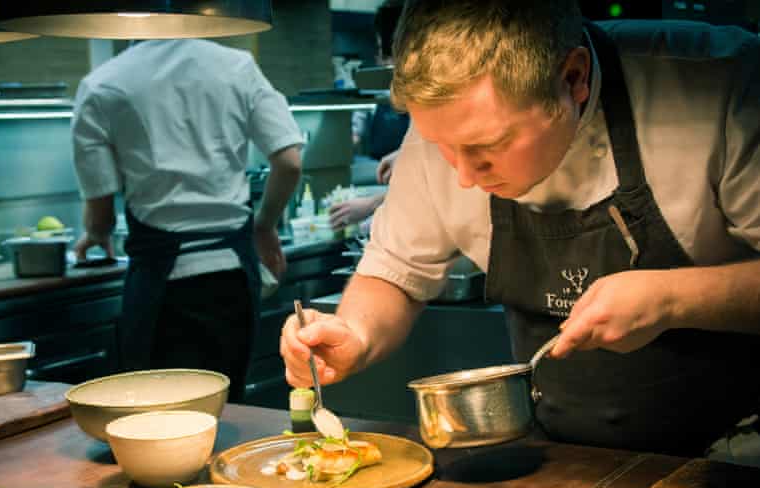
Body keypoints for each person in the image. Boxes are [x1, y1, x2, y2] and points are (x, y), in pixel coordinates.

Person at [281, 0, 760, 458]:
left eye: (489, 145)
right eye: (442, 146)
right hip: (557, 453)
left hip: (735, 449)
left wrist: (671, 298)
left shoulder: (722, 86)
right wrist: (355, 334)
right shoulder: (444, 132)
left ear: (572, 79)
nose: (464, 175)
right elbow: (395, 270)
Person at [72, 39, 303, 403]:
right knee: (230, 411)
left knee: (156, 416)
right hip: (233, 279)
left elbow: (100, 204)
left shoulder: (103, 84)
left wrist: (96, 234)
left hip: (160, 286)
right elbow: (289, 162)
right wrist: (264, 225)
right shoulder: (238, 66)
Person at [332, 0, 408, 233]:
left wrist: (371, 204)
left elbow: (431, 183)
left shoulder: (434, 101)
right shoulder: (376, 96)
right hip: (386, 177)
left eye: (384, 47)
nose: (385, 60)